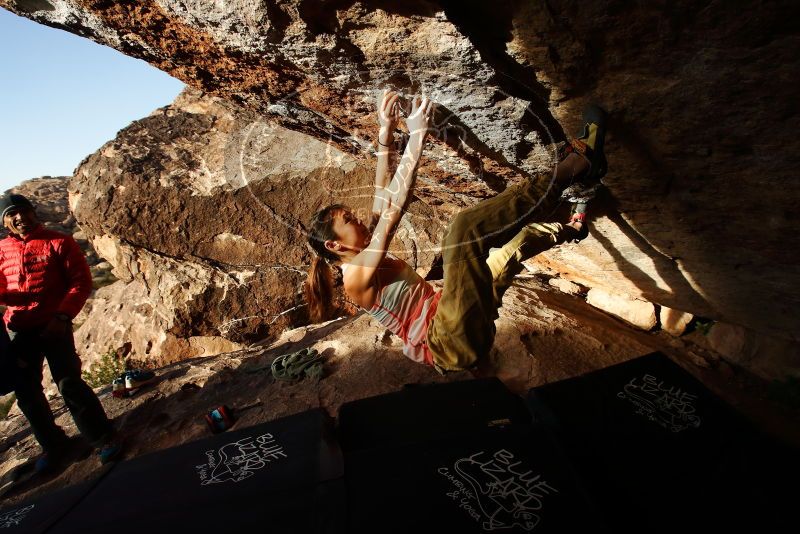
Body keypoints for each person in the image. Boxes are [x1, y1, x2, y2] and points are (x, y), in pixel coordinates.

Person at [305, 90, 607, 373]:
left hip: (456, 315)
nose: (359, 220)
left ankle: (574, 227)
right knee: (462, 232)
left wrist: (386, 131)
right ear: (334, 245)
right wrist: (418, 136)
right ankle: (577, 165)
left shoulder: (362, 250)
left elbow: (382, 193)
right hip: (446, 341)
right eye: (349, 220)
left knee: (515, 248)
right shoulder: (355, 277)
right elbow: (393, 210)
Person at [0, 194, 121, 472]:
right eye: (12, 214)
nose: (20, 218)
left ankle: (102, 437)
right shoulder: (2, 249)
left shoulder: (59, 242)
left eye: (24, 211)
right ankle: (53, 445)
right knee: (27, 392)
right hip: (19, 328)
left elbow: (80, 282)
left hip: (54, 325)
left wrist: (63, 316)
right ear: (5, 222)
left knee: (68, 382)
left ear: (33, 212)